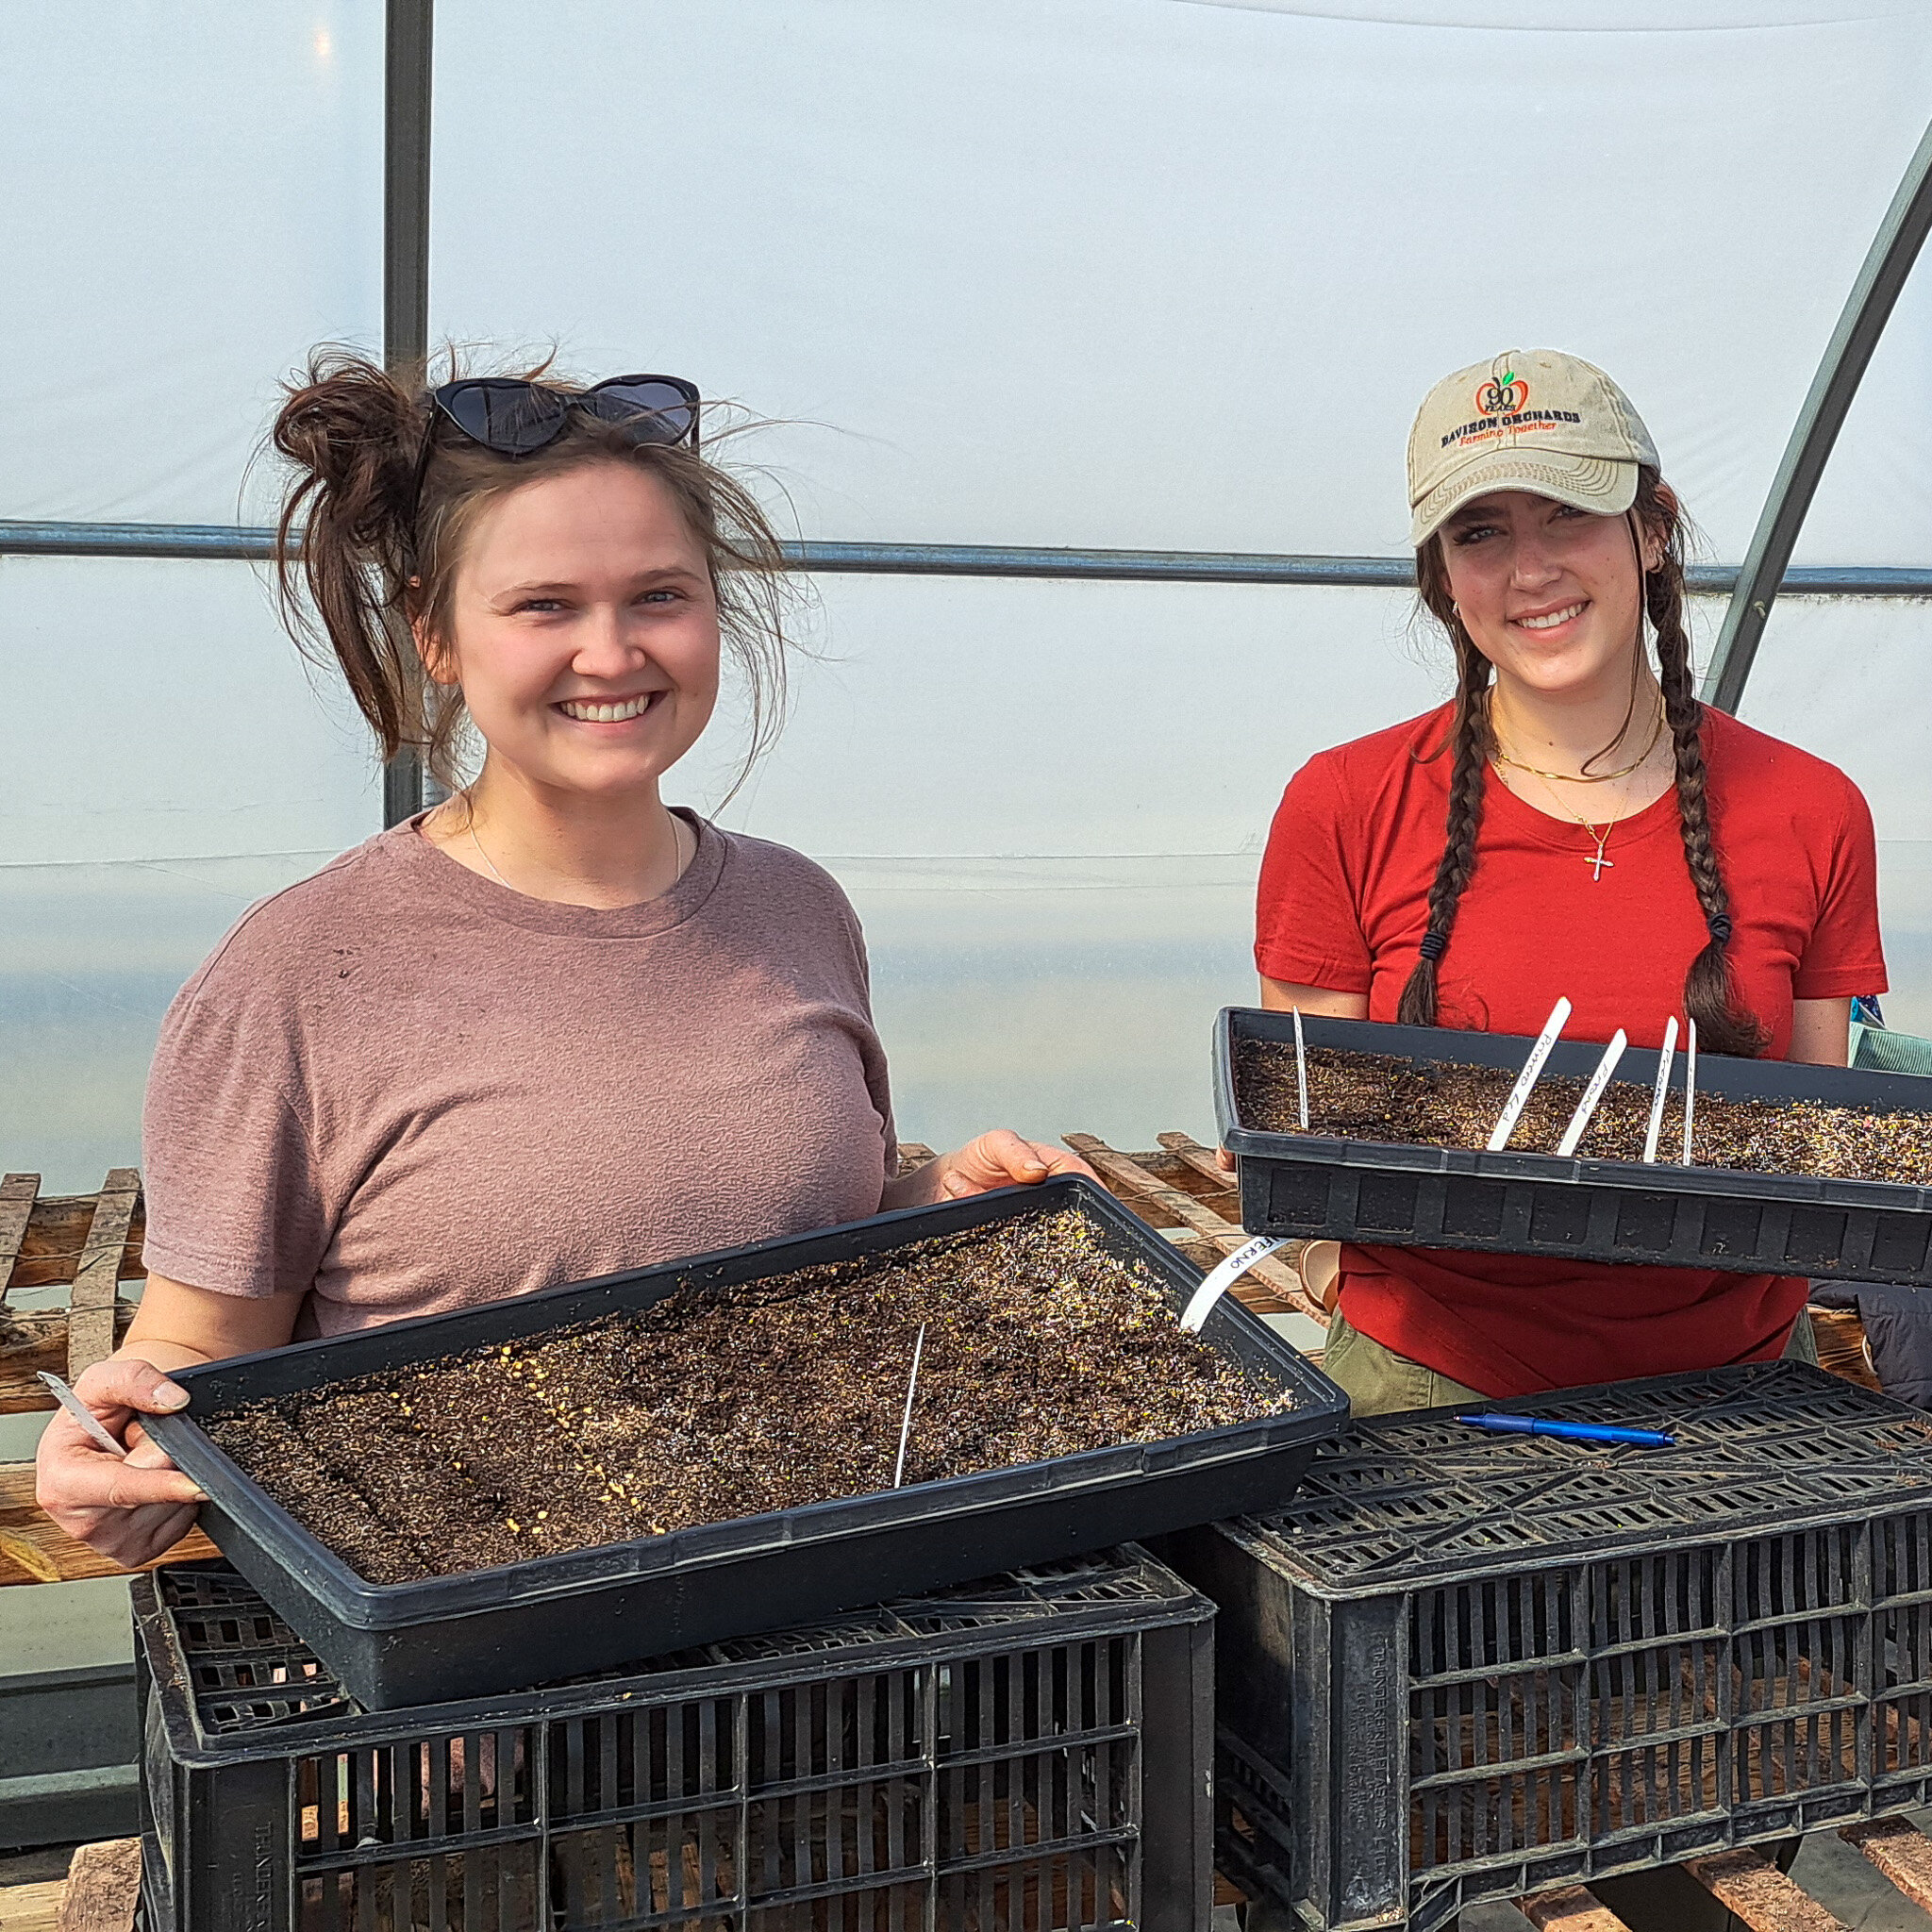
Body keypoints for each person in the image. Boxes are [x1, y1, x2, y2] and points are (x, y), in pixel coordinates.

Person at [38, 353, 1089, 1567]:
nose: (610, 653)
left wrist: (937, 1203)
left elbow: (811, 1244)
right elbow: (206, 1351)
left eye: (658, 596)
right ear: (433, 631)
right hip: (483, 1695)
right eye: (544, 605)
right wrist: (123, 1453)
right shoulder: (297, 972)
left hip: (827, 1624)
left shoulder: (795, 905)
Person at [1254, 347, 1886, 1419]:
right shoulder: (1343, 805)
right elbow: (1300, 1145)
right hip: (1425, 1387)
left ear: (1650, 528)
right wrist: (1339, 1287)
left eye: (1566, 513)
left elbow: (1812, 1150)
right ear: (1440, 575)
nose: (1528, 568)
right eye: (1479, 532)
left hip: (1743, 1399)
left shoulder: (1808, 807)